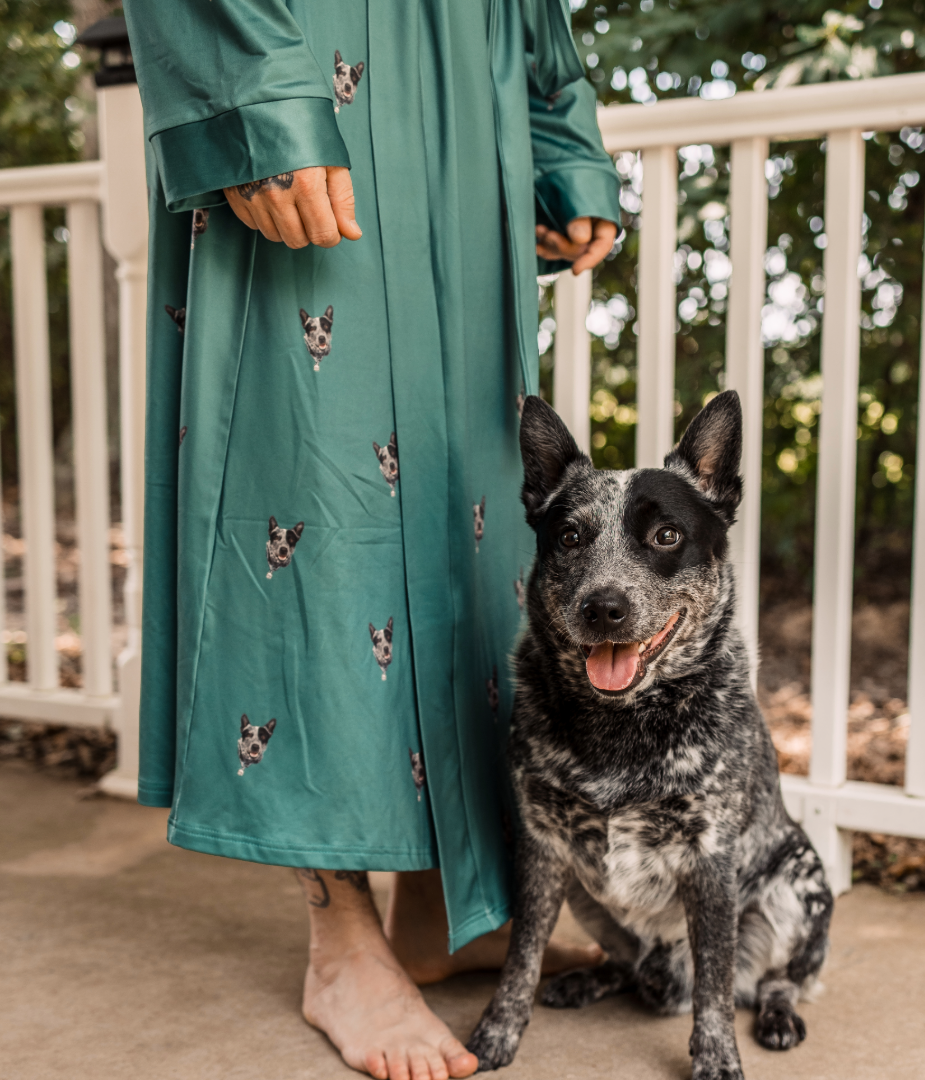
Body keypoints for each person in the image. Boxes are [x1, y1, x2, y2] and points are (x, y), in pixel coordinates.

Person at [124, 2, 620, 1078]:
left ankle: (449, 909)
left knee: (471, 505)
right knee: (308, 485)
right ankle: (339, 936)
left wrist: (559, 137)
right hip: (306, 48)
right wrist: (259, 101)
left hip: (465, 87)